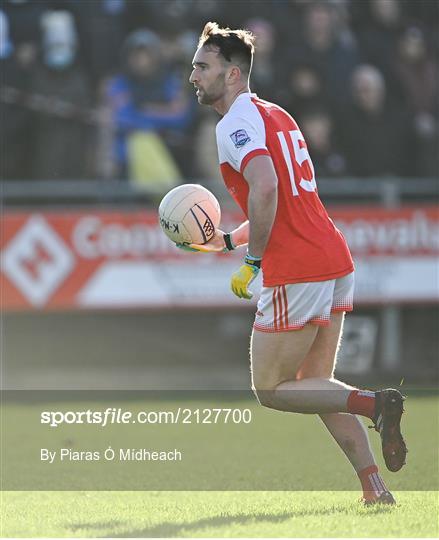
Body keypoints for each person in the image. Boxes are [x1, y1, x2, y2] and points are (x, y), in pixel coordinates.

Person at [182, 22, 407, 505]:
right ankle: (375, 487)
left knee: (270, 389)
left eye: (203, 66)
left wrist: (253, 260)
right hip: (331, 256)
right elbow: (282, 200)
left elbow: (265, 188)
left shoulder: (233, 123)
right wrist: (229, 238)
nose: (193, 75)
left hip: (298, 267)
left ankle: (374, 403)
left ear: (234, 73)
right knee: (315, 387)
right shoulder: (276, 114)